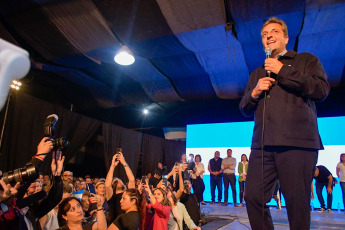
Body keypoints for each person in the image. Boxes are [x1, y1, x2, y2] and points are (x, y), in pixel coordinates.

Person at [239, 17, 329, 230]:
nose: (268, 35)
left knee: (297, 205)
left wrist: (282, 70)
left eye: (274, 32)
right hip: (262, 146)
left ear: (285, 38)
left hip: (297, 144)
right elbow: (243, 108)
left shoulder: (306, 60)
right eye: (264, 34)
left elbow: (321, 90)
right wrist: (254, 92)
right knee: (252, 197)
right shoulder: (257, 74)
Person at [105, 150, 135, 224]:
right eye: (115, 181)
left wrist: (124, 163)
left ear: (124, 185)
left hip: (128, 224)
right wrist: (112, 166)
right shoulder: (112, 196)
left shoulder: (128, 193)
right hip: (115, 225)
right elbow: (107, 185)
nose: (117, 181)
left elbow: (132, 180)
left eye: (119, 180)